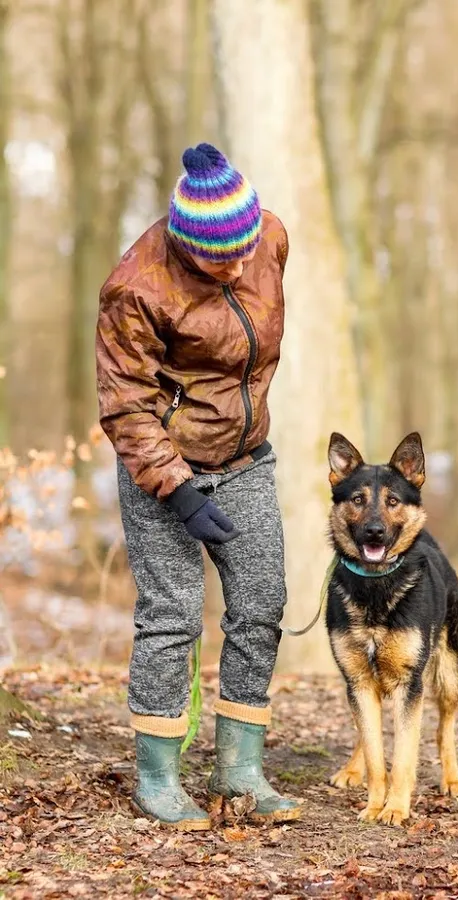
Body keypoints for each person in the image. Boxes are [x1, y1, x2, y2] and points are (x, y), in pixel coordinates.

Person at [95, 143, 300, 830]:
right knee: (173, 613)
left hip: (246, 458)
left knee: (261, 600)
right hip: (165, 471)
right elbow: (125, 405)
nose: (240, 266)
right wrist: (180, 491)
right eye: (223, 261)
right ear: (186, 246)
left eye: (245, 251)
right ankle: (156, 776)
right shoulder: (137, 288)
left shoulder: (266, 236)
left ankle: (240, 769)